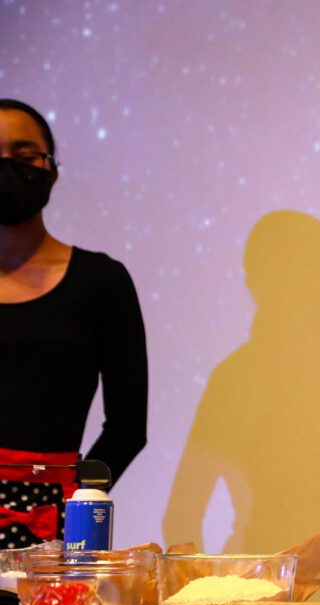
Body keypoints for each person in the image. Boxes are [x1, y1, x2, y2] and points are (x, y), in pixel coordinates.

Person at [0, 99, 148, 549]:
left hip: (52, 518)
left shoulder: (101, 282)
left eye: (26, 156)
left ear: (52, 169)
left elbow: (126, 427)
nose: (8, 168)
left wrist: (79, 499)